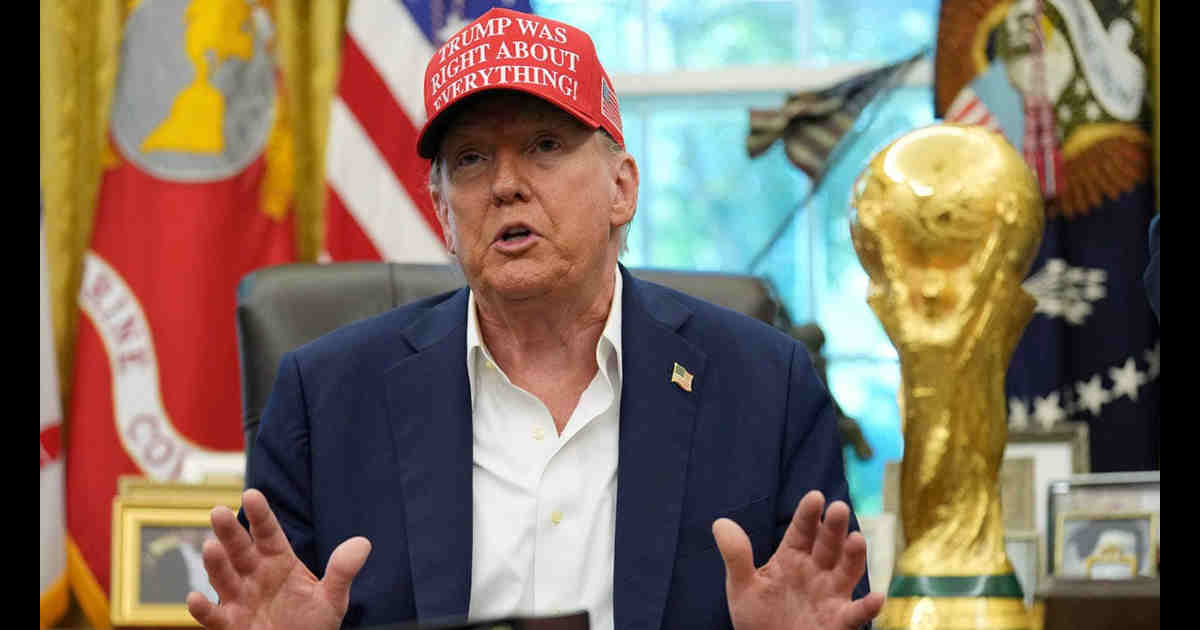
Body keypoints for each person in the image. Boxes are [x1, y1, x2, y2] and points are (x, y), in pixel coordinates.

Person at [186, 8, 884, 630]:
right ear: (444, 215)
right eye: (471, 159)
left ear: (622, 187)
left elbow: (828, 606)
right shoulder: (324, 398)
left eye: (545, 146)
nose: (505, 184)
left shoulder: (767, 386)